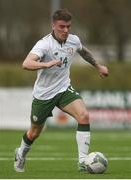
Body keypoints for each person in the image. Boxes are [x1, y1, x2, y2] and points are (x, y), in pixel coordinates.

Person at [14, 9, 108, 173]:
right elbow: (26, 63)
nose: (65, 30)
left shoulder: (73, 40)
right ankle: (21, 152)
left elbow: (84, 52)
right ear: (53, 26)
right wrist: (45, 64)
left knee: (84, 116)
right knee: (34, 133)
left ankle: (82, 162)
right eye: (62, 27)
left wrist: (98, 66)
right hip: (43, 95)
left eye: (68, 27)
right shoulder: (44, 44)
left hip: (64, 88)